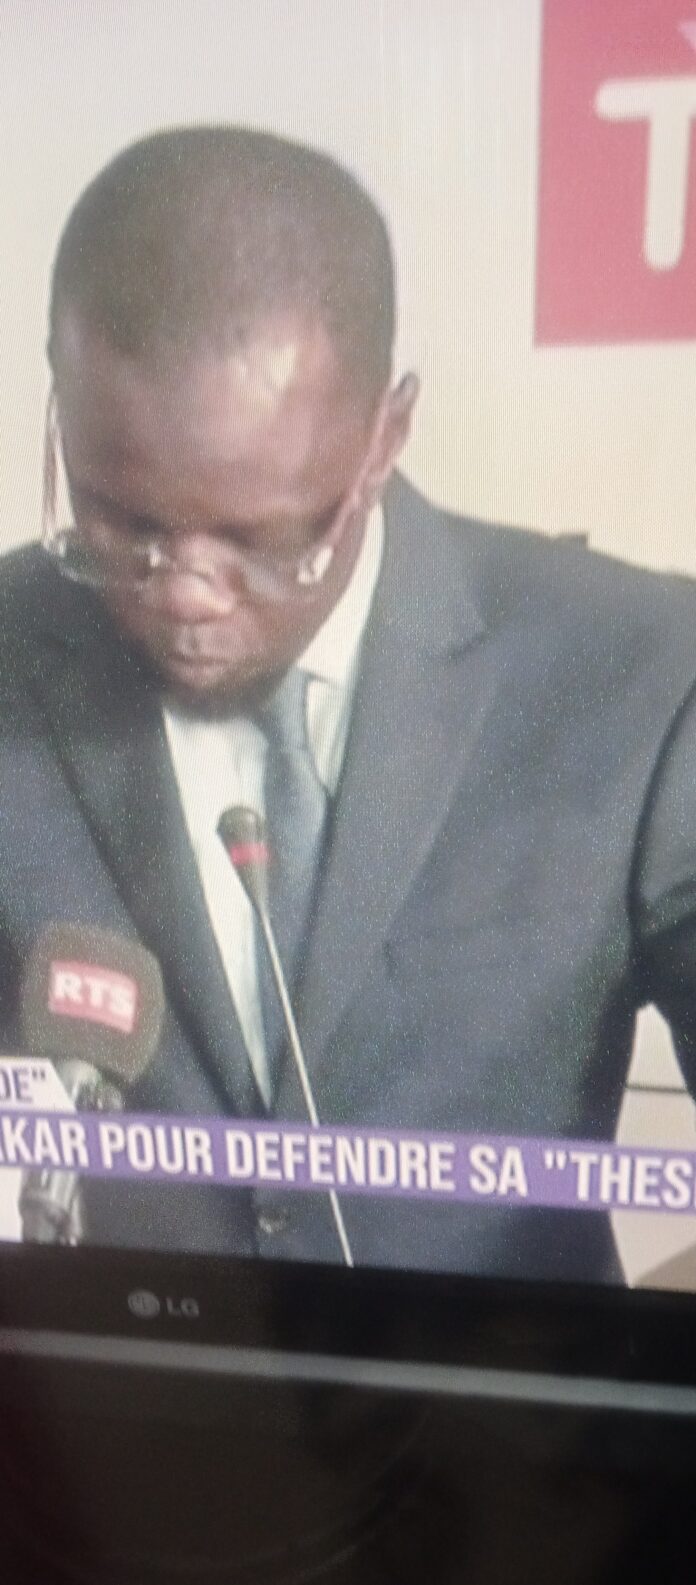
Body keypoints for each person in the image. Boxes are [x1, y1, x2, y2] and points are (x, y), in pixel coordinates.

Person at [1, 124, 696, 1282]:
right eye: (124, 524)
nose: (188, 595)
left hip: (501, 1401)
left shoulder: (637, 677)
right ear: (60, 407)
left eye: (267, 540)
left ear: (385, 436)